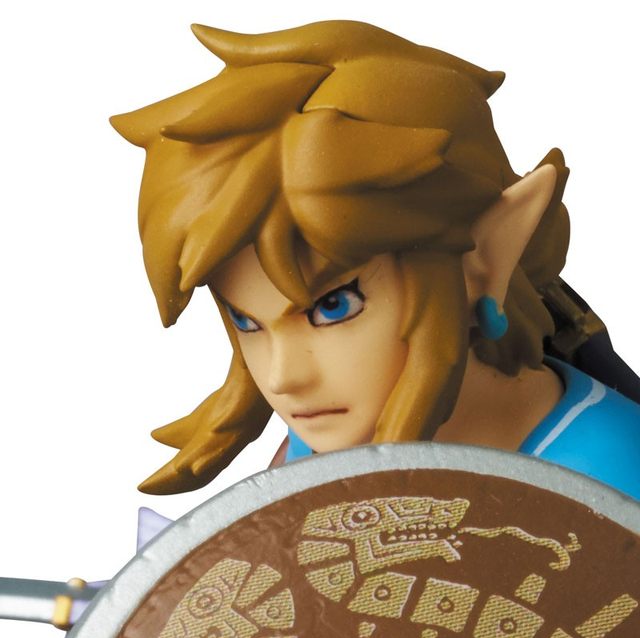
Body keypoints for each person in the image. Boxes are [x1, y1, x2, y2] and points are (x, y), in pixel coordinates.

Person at [110, 20, 640, 499]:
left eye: (335, 307)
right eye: (248, 321)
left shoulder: (608, 487)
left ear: (488, 254)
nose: (283, 377)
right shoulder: (329, 442)